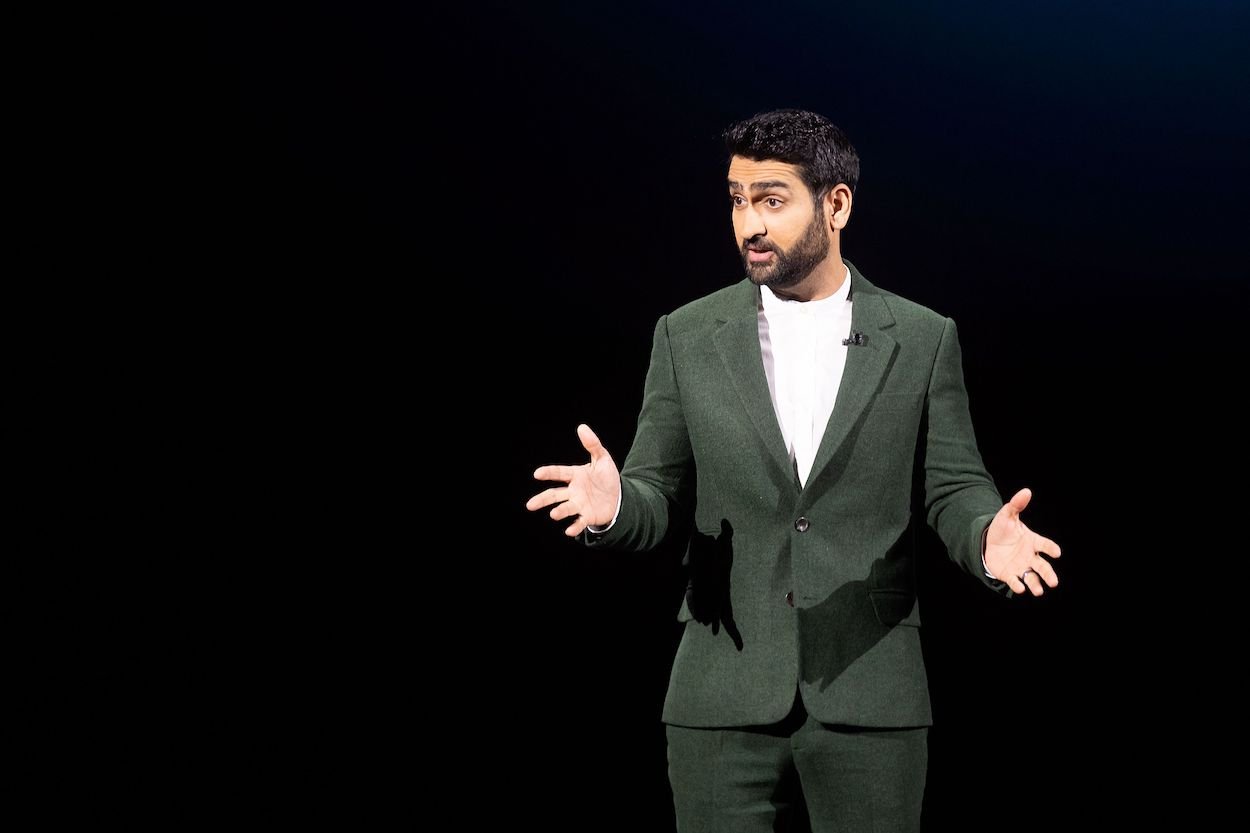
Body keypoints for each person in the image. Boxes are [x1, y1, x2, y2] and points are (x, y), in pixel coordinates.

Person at [525, 108, 1062, 833]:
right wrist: (620, 504)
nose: (748, 223)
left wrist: (982, 538)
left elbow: (954, 485)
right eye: (737, 199)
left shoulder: (924, 337)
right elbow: (658, 492)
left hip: (870, 690)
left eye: (771, 199)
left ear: (836, 204)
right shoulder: (687, 335)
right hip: (721, 694)